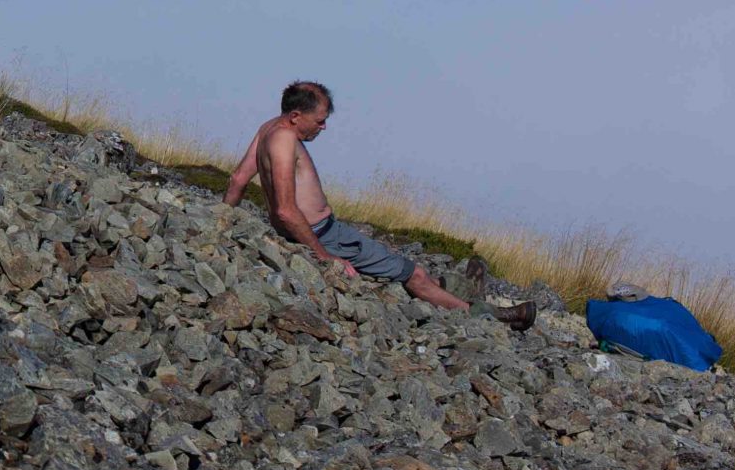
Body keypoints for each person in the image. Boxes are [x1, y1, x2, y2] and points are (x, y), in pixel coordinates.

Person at [224, 81, 526, 323]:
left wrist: (220, 226)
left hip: (318, 232)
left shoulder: (268, 128)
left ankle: (462, 289)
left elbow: (238, 180)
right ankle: (491, 317)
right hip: (324, 236)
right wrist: (324, 257)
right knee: (414, 274)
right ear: (295, 116)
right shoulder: (285, 140)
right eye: (320, 121)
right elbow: (286, 211)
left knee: (413, 272)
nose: (323, 127)